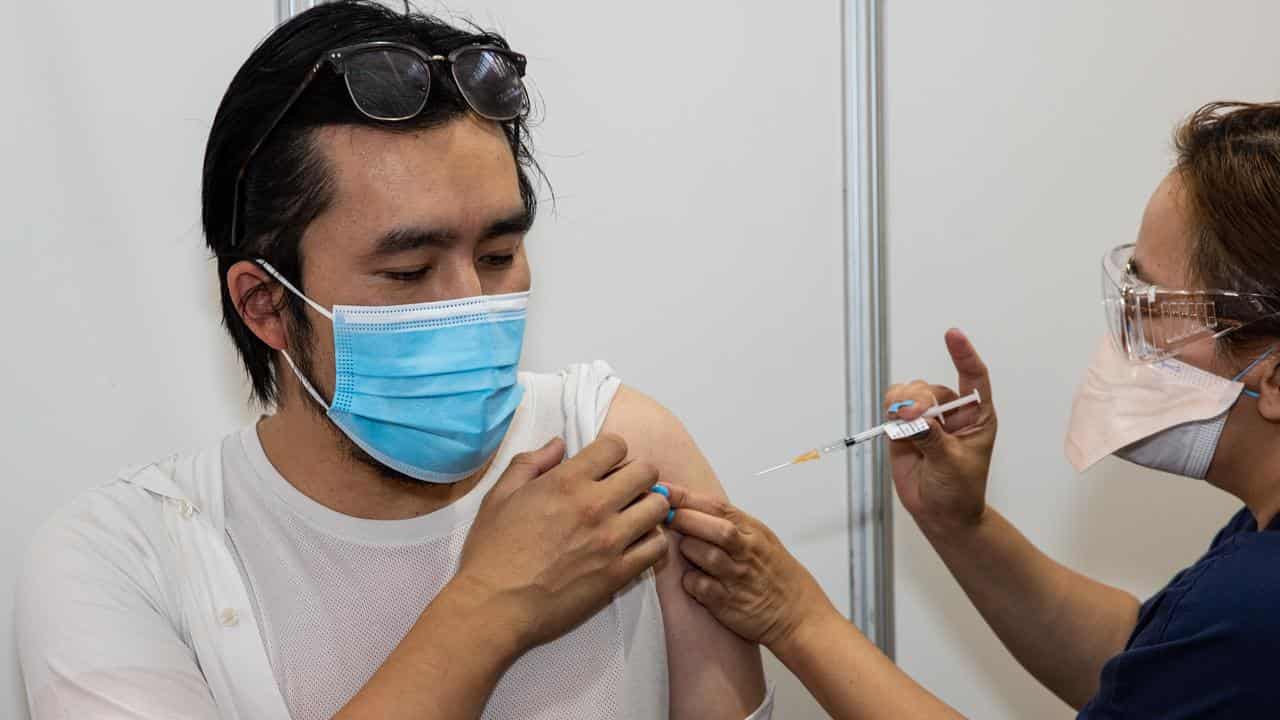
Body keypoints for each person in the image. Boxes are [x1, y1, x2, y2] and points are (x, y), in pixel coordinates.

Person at [14, 2, 771, 718]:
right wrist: (490, 606)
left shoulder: (618, 458)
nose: (471, 302)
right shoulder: (124, 561)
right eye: (409, 273)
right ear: (265, 305)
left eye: (501, 254)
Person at [663, 100, 1280, 719]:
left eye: (1151, 308)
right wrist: (960, 522)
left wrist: (796, 617)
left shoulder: (1255, 608)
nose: (1125, 334)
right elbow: (1149, 668)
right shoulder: (1248, 577)